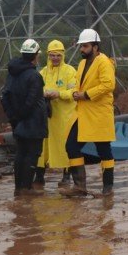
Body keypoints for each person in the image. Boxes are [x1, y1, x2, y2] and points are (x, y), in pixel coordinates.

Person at [60, 29, 117, 197]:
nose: (81, 49)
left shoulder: (104, 62)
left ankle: (108, 187)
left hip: (99, 113)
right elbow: (79, 85)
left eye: (85, 46)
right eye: (81, 46)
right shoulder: (83, 63)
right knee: (71, 146)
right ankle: (80, 186)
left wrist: (86, 94)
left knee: (104, 150)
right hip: (83, 112)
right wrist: (75, 93)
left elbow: (108, 85)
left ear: (95, 46)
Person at [1, 38, 48, 196]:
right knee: (32, 154)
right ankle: (26, 188)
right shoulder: (34, 76)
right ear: (36, 56)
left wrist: (13, 118)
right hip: (33, 123)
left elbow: (4, 97)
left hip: (18, 123)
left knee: (20, 153)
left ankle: (18, 188)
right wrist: (21, 116)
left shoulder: (12, 74)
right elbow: (32, 101)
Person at [33, 40, 78, 189]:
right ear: (48, 55)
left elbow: (74, 92)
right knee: (43, 147)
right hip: (46, 117)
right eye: (52, 55)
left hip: (63, 118)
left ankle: (66, 175)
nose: (55, 58)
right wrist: (44, 94)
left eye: (58, 55)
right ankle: (39, 176)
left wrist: (58, 94)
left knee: (65, 146)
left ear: (63, 55)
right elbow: (35, 91)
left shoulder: (70, 71)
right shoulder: (43, 72)